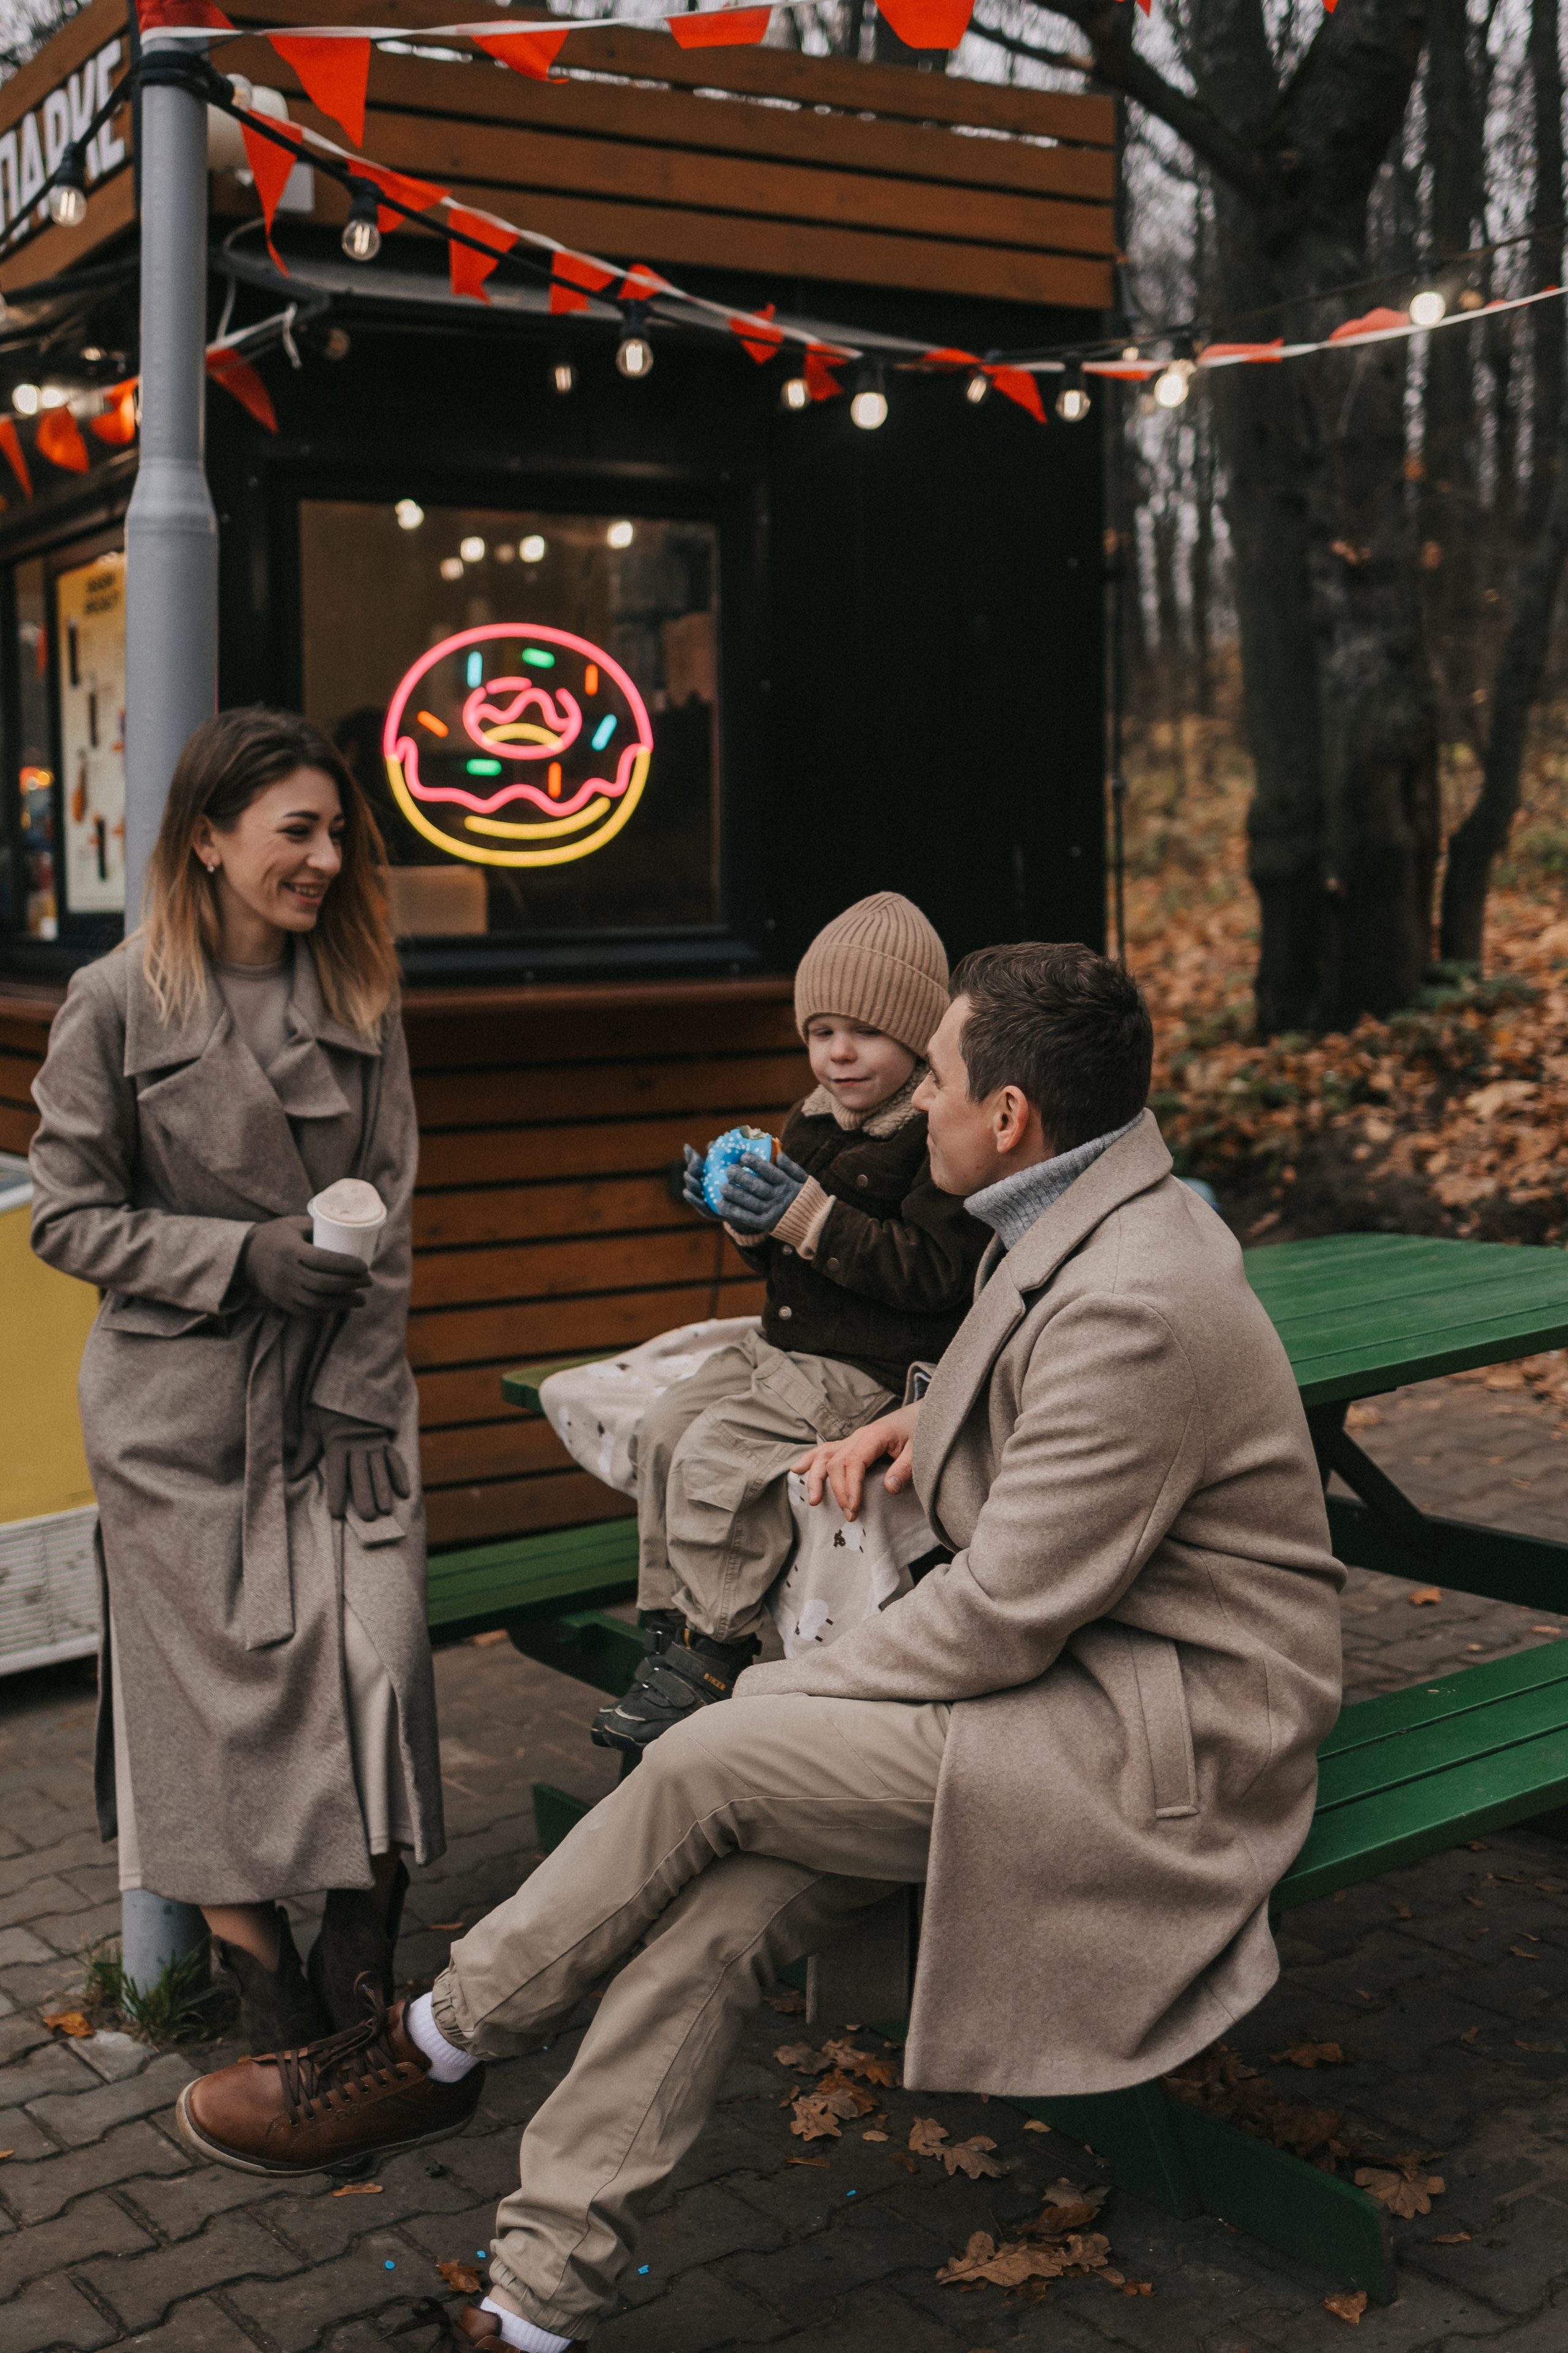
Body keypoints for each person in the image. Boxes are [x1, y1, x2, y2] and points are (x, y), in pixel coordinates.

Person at [174, 940, 1344, 2353]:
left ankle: (435, 2041)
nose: (921, 1110)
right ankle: (532, 2306)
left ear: (1009, 1119)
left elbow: (1002, 1609)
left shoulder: (1134, 1298)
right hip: (1071, 1682)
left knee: (719, 1747)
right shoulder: (1092, 1217)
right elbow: (1038, 1388)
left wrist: (783, 1692)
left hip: (1157, 1735)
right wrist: (924, 1418)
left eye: (943, 1083)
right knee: (719, 1917)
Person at [29, 706, 443, 2052]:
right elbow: (65, 1216)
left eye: (337, 832)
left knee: (376, 1657)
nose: (323, 858)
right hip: (176, 1413)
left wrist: (354, 1381)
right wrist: (237, 1256)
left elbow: (391, 1200)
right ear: (206, 838)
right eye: (295, 831)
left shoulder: (363, 991)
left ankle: (367, 1928)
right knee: (202, 1704)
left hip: (343, 1400)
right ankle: (260, 1975)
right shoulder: (113, 1001)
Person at [592, 891, 989, 1754]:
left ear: (919, 1038)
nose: (838, 1053)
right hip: (786, 1347)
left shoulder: (932, 1140)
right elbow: (781, 1262)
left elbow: (934, 1273)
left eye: (865, 1032)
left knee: (718, 1459)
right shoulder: (807, 1121)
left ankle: (714, 1650)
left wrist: (808, 1217)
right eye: (820, 1031)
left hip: (872, 1369)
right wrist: (742, 1216)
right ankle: (670, 1624)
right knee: (664, 1430)